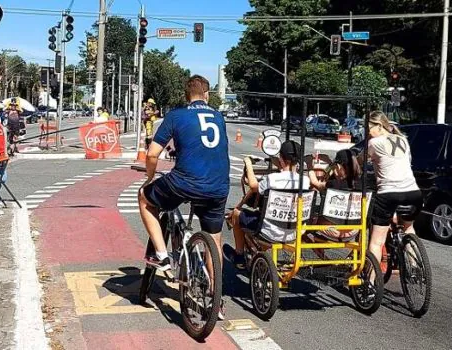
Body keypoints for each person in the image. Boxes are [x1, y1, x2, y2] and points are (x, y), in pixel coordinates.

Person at [138, 75, 229, 316]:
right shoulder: (219, 117)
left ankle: (161, 255)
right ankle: (216, 297)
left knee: (145, 198)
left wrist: (149, 177)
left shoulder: (176, 116)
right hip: (219, 186)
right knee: (215, 241)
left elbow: (152, 154)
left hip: (184, 183)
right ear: (207, 95)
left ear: (185, 95)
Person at [227, 140, 322, 269]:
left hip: (269, 231)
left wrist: (248, 164)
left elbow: (254, 186)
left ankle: (239, 255)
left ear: (281, 159)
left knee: (237, 214)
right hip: (295, 232)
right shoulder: (304, 181)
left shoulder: (272, 179)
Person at [362, 111, 422, 268]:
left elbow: (360, 161)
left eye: (368, 128)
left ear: (379, 125)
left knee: (376, 241)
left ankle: (371, 284)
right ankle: (415, 266)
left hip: (389, 194)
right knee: (409, 227)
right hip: (413, 192)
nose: (367, 132)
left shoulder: (374, 143)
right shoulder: (403, 140)